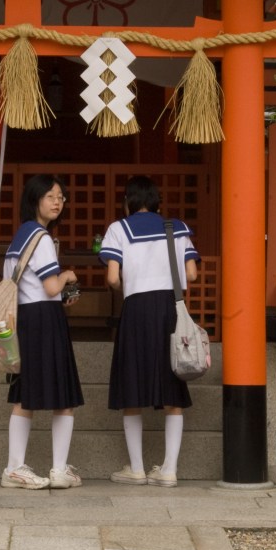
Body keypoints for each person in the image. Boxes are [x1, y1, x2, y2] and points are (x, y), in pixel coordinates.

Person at [98, 175, 200, 487]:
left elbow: (113, 279)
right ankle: (169, 470)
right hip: (170, 308)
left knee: (132, 383)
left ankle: (137, 469)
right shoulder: (177, 228)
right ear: (156, 201)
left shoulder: (119, 229)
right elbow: (192, 274)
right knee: (173, 385)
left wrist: (131, 282)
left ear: (128, 201)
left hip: (136, 310)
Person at [1, 174, 85, 490]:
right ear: (35, 199)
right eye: (50, 196)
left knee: (26, 395)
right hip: (44, 321)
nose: (57, 202)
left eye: (61, 197)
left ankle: (14, 467)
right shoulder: (42, 238)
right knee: (63, 398)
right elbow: (51, 287)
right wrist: (68, 276)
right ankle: (59, 469)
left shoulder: (19, 238)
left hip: (25, 319)